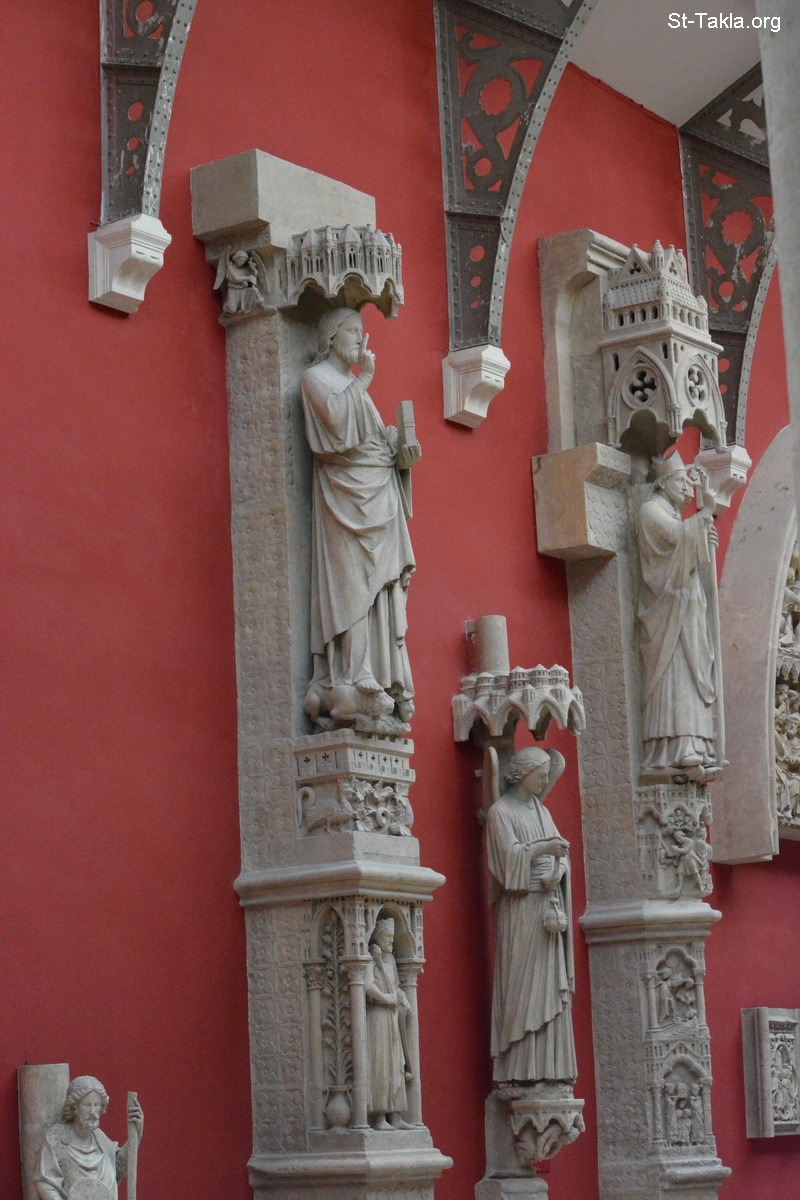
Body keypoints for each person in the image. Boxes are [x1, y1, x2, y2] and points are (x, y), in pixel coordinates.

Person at [301, 307, 420, 728]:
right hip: (345, 499)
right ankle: (350, 673)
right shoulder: (316, 378)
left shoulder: (353, 386)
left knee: (379, 588)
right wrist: (365, 379)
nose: (360, 338)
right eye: (352, 330)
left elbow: (370, 443)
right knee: (352, 584)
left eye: (362, 330)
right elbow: (335, 429)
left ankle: (377, 674)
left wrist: (400, 456)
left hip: (378, 494)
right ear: (331, 336)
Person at [486, 747, 577, 1085]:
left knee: (549, 989)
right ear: (523, 774)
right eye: (541, 776)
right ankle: (519, 1069)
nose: (545, 782)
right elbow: (506, 862)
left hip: (547, 908)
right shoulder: (500, 812)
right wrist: (543, 849)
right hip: (522, 910)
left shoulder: (542, 810)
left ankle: (551, 1070)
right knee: (521, 989)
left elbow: (562, 852)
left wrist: (559, 870)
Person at [637, 453, 719, 780]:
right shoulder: (650, 510)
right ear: (662, 483)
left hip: (689, 605)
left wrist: (705, 536)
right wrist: (705, 513)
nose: (687, 488)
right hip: (668, 611)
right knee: (676, 672)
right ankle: (673, 748)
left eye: (688, 482)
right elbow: (673, 537)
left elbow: (686, 541)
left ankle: (697, 744)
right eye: (681, 481)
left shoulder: (673, 514)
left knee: (694, 669)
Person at [35, 1076, 143, 1200]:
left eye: (96, 1105)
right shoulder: (56, 1138)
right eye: (87, 1104)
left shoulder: (99, 1138)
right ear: (74, 1106)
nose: (92, 1111)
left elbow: (120, 1166)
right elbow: (46, 1183)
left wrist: (136, 1134)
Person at [364, 918, 412, 1130]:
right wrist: (386, 998)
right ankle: (379, 1116)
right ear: (378, 937)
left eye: (392, 938)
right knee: (381, 1063)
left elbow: (395, 986)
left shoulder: (390, 959)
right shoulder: (369, 959)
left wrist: (402, 998)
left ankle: (396, 1115)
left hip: (391, 1016)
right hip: (377, 1016)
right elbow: (367, 986)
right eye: (387, 938)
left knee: (396, 1063)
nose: (391, 942)